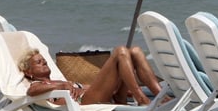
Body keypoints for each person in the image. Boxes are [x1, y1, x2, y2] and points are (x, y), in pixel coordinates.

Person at [18, 45, 162, 106]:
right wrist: (62, 85)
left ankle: (161, 95)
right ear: (29, 72)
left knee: (135, 51)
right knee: (120, 51)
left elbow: (92, 87)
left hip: (102, 96)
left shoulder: (59, 80)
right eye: (38, 62)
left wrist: (124, 89)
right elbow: (31, 92)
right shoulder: (37, 85)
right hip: (85, 102)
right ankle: (141, 98)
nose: (44, 62)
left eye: (44, 60)